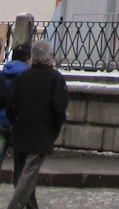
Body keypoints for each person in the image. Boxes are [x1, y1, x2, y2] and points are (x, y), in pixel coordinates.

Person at [5, 40, 68, 209]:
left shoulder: (22, 77)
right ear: (49, 57)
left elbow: (10, 104)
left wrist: (16, 122)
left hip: (20, 132)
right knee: (27, 176)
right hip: (40, 134)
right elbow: (59, 109)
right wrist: (52, 129)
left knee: (23, 175)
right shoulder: (55, 78)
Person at [0, 45, 31, 180]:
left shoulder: (3, 72)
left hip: (1, 121)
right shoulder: (28, 76)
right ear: (27, 58)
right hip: (19, 125)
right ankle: (19, 196)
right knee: (20, 165)